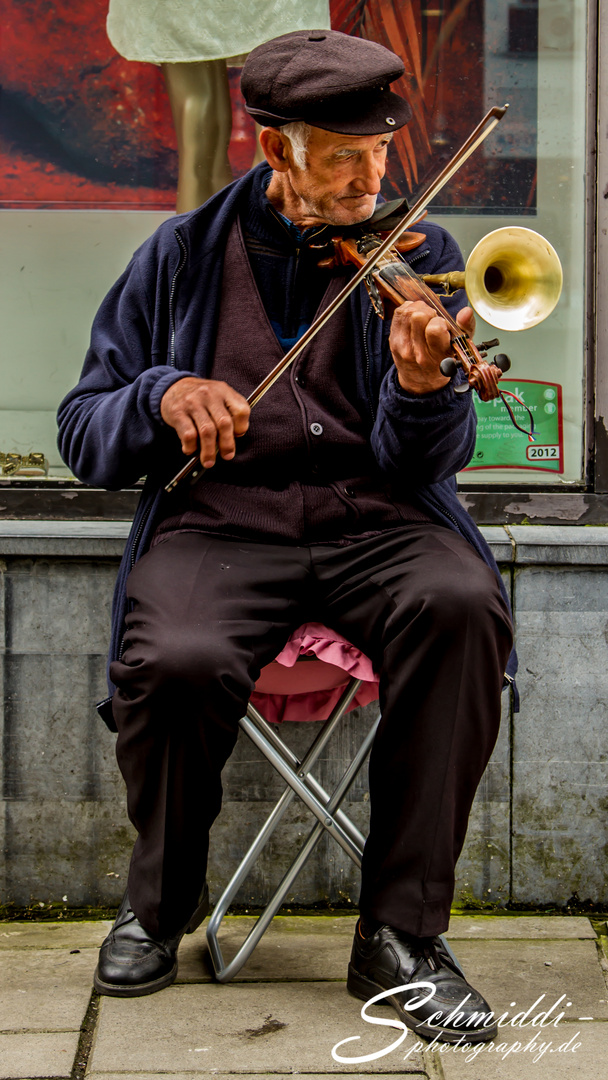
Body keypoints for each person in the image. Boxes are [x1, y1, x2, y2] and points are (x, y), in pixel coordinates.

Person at [57, 30, 514, 1042]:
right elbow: (81, 431)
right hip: (222, 523)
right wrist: (159, 393)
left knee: (461, 605)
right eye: (340, 156)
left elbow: (420, 467)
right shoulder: (178, 256)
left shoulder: (421, 257)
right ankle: (158, 903)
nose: (370, 177)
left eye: (380, 154)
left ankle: (400, 938)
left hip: (376, 521)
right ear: (274, 151)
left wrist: (424, 385)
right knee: (175, 657)